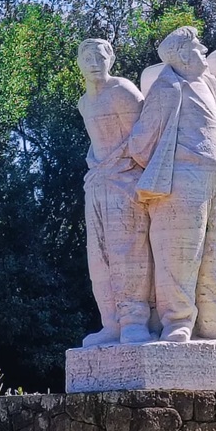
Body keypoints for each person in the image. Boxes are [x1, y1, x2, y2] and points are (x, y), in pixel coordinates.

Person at [128, 27, 216, 344]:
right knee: (179, 254)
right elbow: (140, 143)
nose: (203, 50)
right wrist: (171, 162)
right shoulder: (166, 87)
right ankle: (177, 322)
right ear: (182, 54)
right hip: (184, 178)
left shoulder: (210, 82)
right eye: (198, 46)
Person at [77, 39, 153, 346]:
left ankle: (135, 320)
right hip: (96, 181)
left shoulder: (123, 90)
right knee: (98, 256)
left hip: (125, 178)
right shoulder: (84, 102)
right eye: (87, 57)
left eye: (100, 56)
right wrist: (98, 166)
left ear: (111, 59)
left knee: (129, 250)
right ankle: (110, 322)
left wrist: (115, 164)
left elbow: (143, 136)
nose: (94, 62)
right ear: (79, 63)